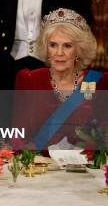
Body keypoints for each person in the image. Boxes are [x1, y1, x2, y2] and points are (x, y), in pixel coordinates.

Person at [14, 8, 106, 150]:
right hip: (40, 167)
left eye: (67, 46)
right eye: (53, 45)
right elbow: (17, 136)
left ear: (78, 50)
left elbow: (104, 134)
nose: (59, 53)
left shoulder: (95, 82)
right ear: (46, 48)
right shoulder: (31, 79)